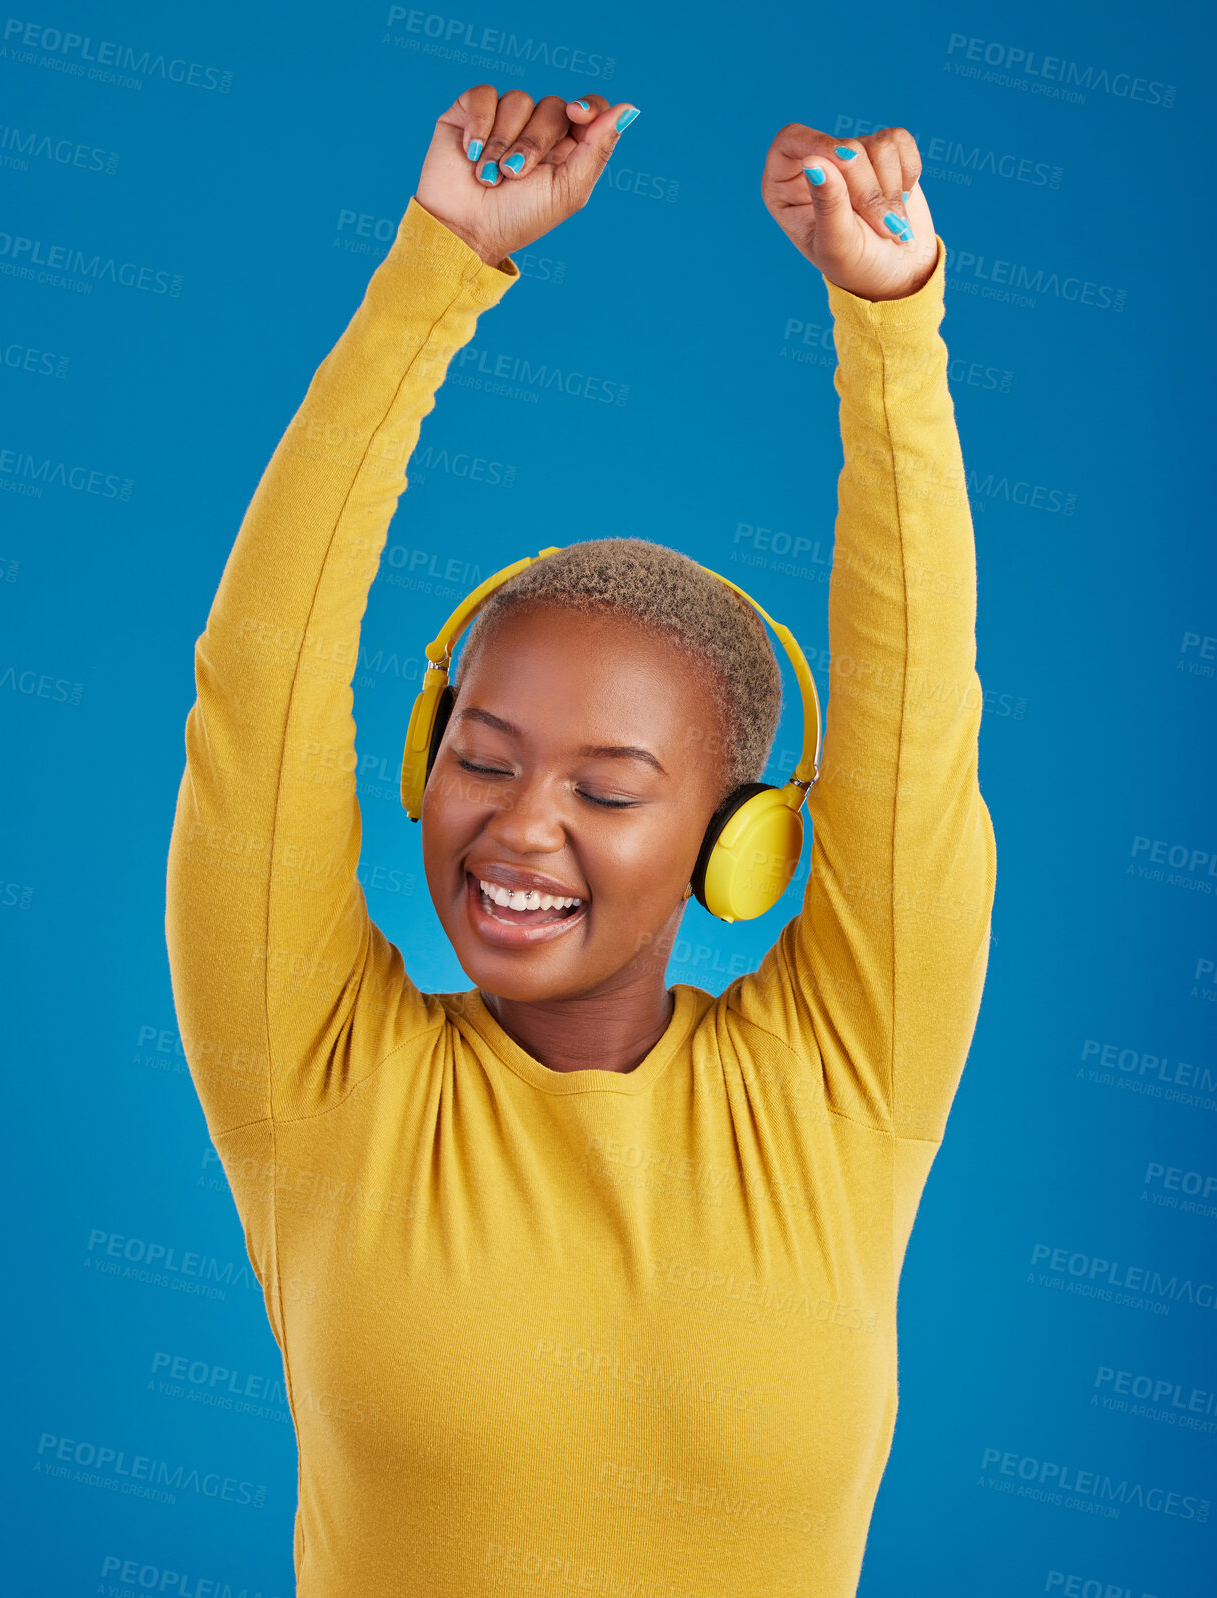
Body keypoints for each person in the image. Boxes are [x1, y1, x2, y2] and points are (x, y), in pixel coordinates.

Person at [166, 83, 996, 1598]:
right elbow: (260, 688)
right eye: (481, 759)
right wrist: (440, 267)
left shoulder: (845, 1081)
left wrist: (890, 332)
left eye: (610, 790)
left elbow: (914, 728)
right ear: (427, 761)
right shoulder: (322, 1080)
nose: (521, 824)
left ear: (733, 842)